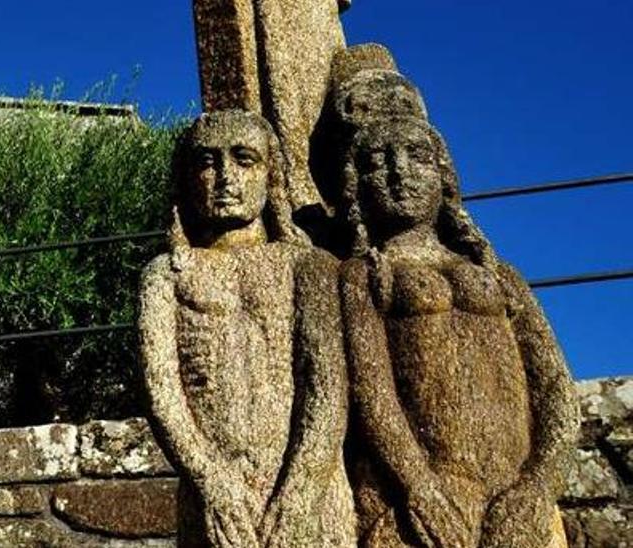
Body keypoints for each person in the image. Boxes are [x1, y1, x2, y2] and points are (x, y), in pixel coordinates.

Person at [338, 116, 577, 548]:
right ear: (356, 186)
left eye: (417, 157)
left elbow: (556, 386)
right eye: (378, 161)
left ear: (445, 175)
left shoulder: (500, 275)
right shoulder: (365, 275)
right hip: (426, 493)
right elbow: (372, 393)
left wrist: (538, 485)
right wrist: (419, 485)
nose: (399, 172)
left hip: (518, 492)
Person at [138, 110, 353, 548]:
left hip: (307, 490)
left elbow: (327, 389)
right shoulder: (167, 274)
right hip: (214, 495)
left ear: (270, 173)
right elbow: (162, 392)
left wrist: (301, 492)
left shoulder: (307, 268)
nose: (223, 177)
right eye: (206, 162)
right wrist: (211, 480)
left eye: (243, 159)